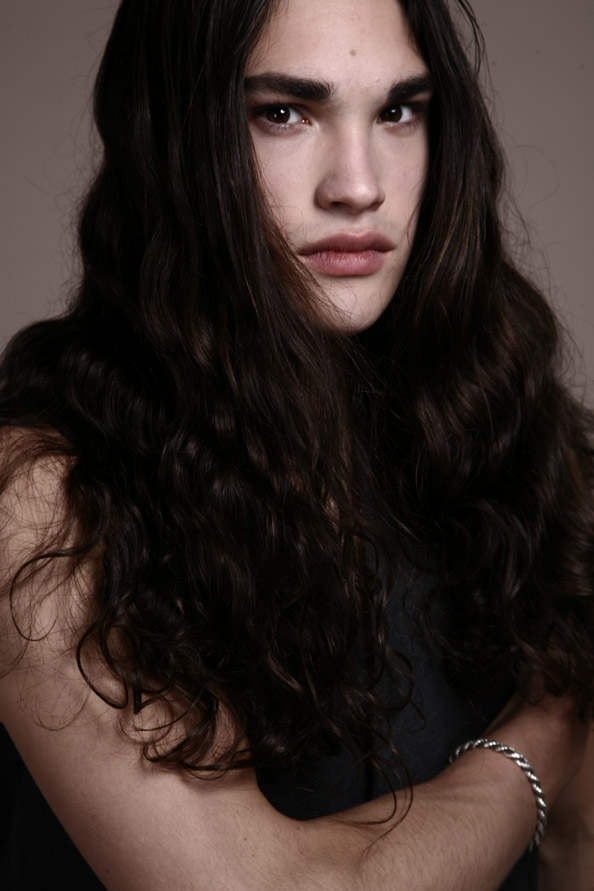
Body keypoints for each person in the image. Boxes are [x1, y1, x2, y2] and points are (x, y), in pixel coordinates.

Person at [1, 0, 593, 888]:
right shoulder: (41, 500)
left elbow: (579, 847)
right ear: (173, 140)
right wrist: (543, 730)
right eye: (283, 112)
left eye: (398, 111)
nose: (358, 185)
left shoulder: (522, 447)